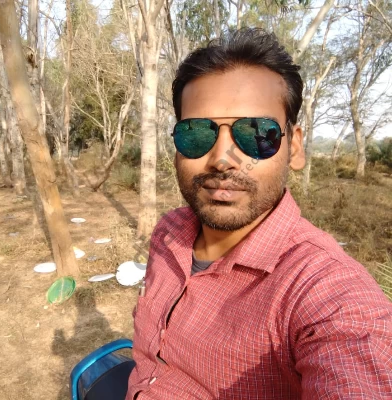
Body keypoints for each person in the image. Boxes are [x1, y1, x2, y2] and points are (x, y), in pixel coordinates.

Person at [126, 28, 392, 399]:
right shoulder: (169, 231)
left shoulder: (324, 292)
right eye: (196, 133)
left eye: (255, 134)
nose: (221, 160)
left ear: (294, 148)